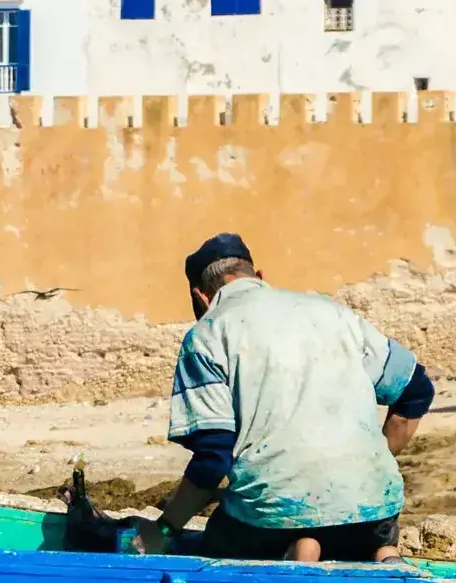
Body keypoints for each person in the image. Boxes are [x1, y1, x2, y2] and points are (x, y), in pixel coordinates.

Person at [146, 232, 435, 562]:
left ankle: (298, 548)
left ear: (201, 297)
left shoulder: (209, 333)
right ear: (259, 277)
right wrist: (373, 460)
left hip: (270, 522)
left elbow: (212, 457)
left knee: (224, 537)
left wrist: (164, 529)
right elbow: (417, 390)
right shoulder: (334, 313)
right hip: (371, 511)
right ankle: (382, 553)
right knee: (365, 536)